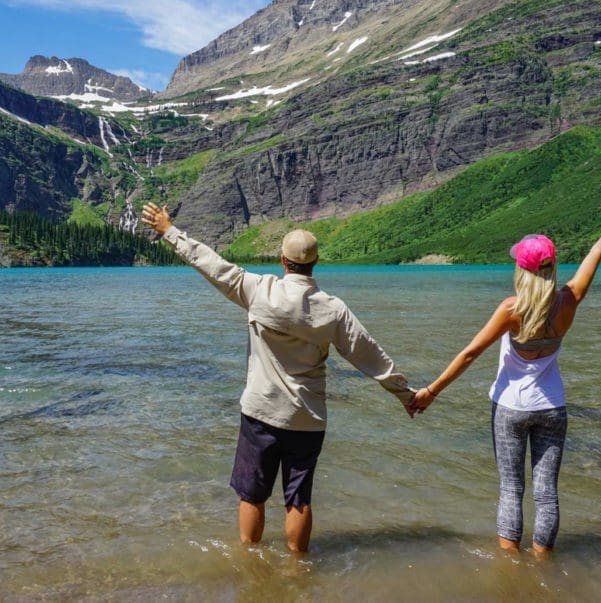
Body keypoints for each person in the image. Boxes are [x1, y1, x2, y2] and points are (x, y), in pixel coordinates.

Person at [141, 202, 416, 553]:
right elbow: (369, 355)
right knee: (298, 499)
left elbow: (211, 265)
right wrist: (406, 394)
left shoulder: (259, 290)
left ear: (283, 262)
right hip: (308, 419)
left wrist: (169, 231)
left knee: (252, 495)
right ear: (315, 263)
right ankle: (297, 568)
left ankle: (250, 565)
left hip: (261, 413)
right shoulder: (333, 309)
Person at [406, 183, 601, 559]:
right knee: (547, 493)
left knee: (511, 489)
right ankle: (543, 564)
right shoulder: (569, 300)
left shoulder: (513, 309)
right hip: (552, 408)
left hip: (510, 408)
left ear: (521, 270)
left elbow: (471, 353)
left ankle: (510, 569)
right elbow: (597, 251)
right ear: (553, 266)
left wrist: (431, 391)